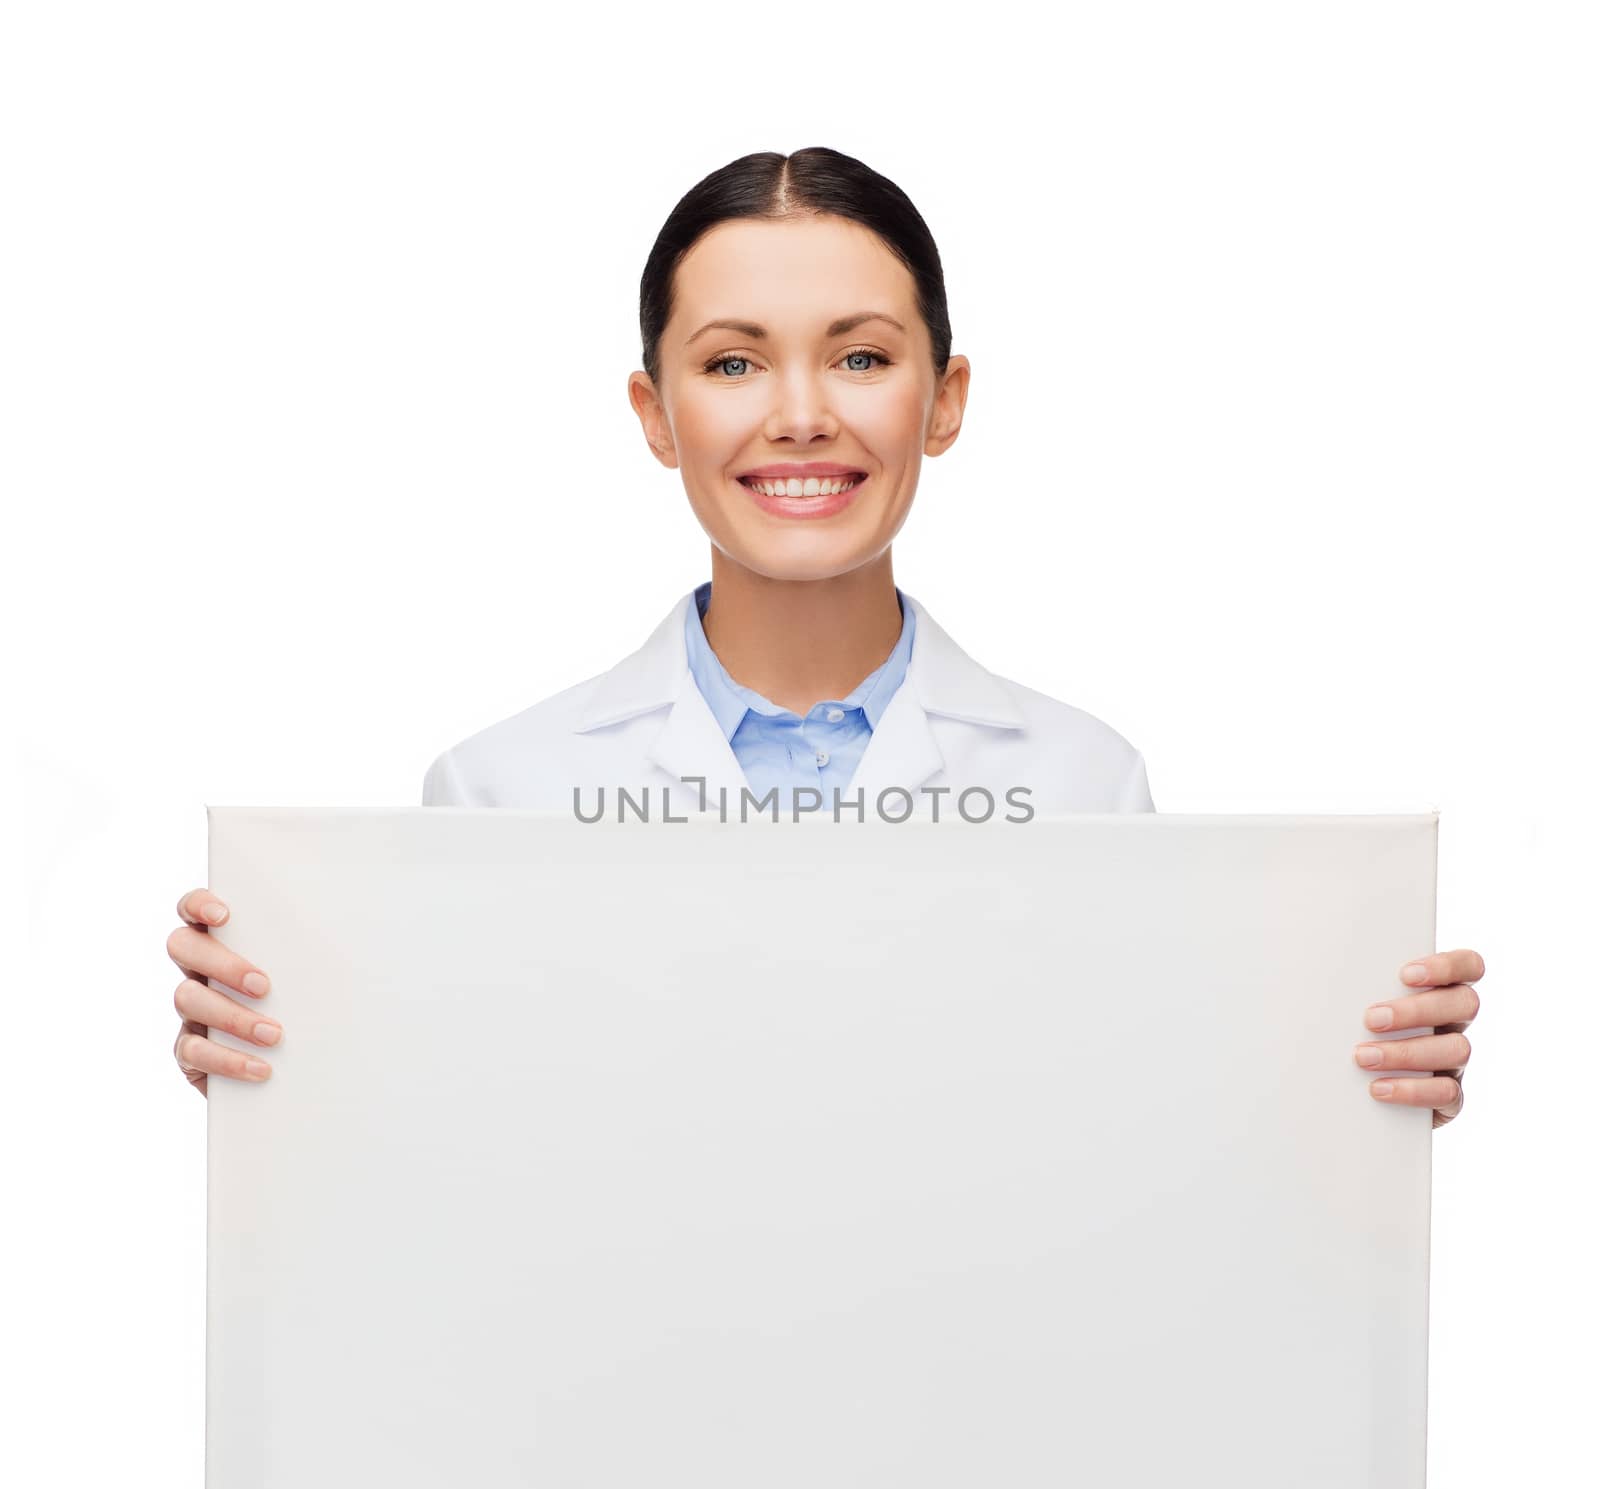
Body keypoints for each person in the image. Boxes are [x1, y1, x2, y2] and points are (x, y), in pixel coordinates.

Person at [166, 146, 1482, 1124]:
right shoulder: (499, 791)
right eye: (734, 363)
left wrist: (1351, 1065)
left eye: (859, 357)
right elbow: (449, 1140)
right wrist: (281, 1046)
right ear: (655, 412)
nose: (800, 415)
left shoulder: (1088, 784)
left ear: (944, 398)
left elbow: (1142, 1126)